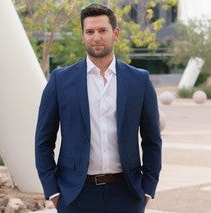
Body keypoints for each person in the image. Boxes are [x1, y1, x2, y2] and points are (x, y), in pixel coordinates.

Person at [35, 4, 162, 213]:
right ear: (82, 35)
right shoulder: (60, 81)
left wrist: (147, 189)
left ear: (116, 33)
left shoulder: (140, 80)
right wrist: (55, 193)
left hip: (127, 194)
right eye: (90, 31)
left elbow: (152, 140)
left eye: (102, 30)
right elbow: (43, 141)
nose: (96, 37)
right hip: (76, 196)